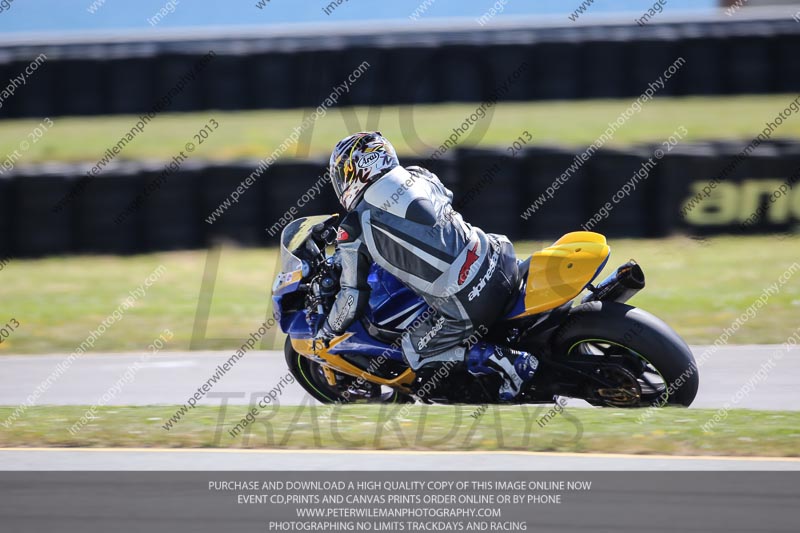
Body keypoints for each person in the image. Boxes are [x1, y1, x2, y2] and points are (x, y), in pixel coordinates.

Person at [314, 131, 537, 401]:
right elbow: (442, 207)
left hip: (468, 299)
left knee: (413, 351)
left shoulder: (353, 226)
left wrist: (327, 332)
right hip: (497, 253)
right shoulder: (419, 174)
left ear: (352, 173)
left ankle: (503, 360)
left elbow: (352, 295)